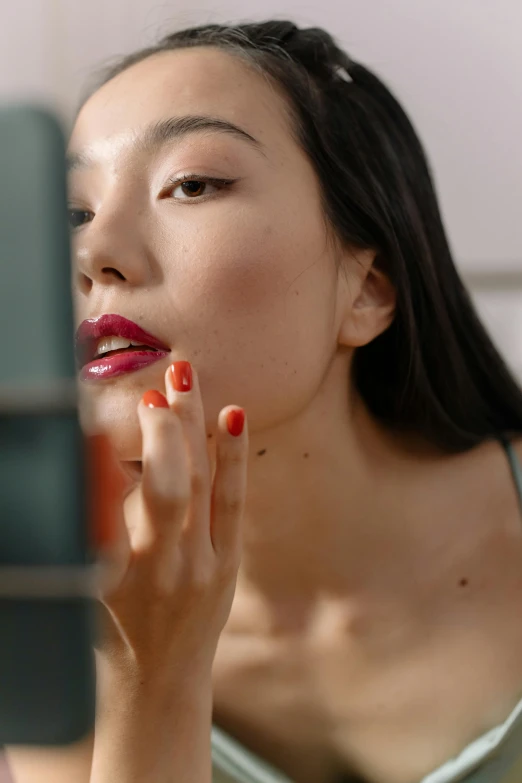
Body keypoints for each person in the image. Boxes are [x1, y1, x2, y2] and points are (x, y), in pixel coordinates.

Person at [5, 18, 522, 783]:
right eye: (72, 213)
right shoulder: (47, 600)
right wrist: (154, 672)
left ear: (367, 293)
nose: (94, 252)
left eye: (193, 184)